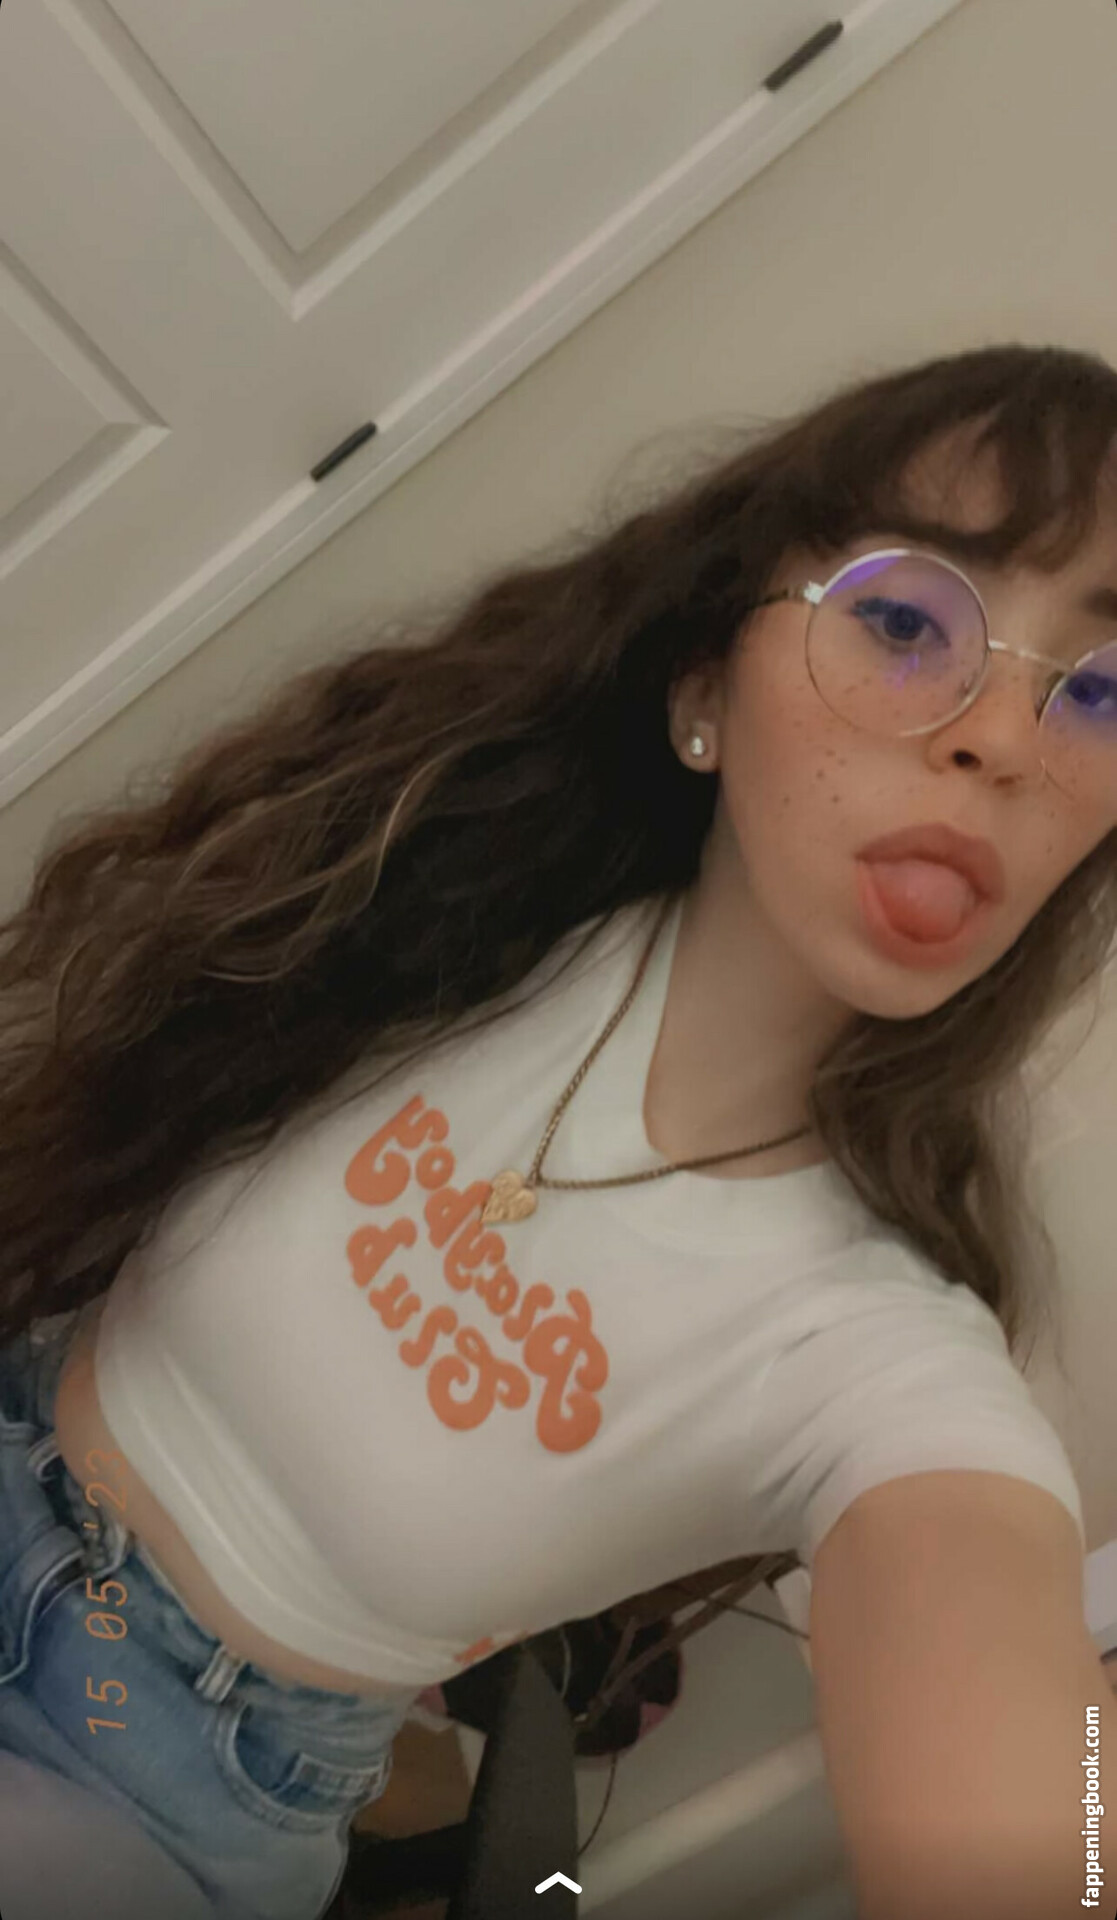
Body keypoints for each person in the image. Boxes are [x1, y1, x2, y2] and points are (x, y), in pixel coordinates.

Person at [0, 342, 1115, 1920]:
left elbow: (1026, 1791)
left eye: (1100, 691)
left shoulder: (876, 1357)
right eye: (902, 618)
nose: (1000, 734)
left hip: (155, 1778)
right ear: (703, 690)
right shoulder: (465, 893)